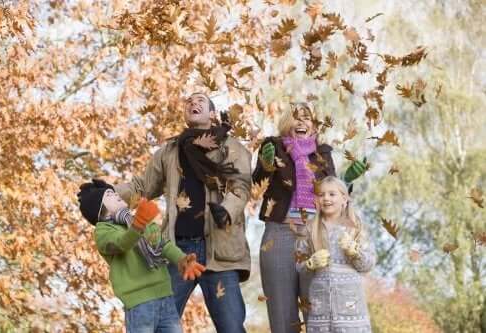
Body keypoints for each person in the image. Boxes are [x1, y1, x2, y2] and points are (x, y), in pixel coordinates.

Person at [114, 92, 252, 333]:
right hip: (178, 253)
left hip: (219, 251)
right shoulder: (169, 151)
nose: (193, 103)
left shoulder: (230, 147)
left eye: (200, 100)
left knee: (232, 328)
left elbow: (241, 185)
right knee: (161, 325)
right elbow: (141, 187)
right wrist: (107, 194)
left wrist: (227, 210)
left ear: (212, 114)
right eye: (189, 101)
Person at [77, 179, 205, 333]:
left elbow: (163, 244)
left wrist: (181, 259)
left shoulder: (139, 219)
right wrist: (138, 225)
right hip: (139, 304)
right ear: (100, 210)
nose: (116, 195)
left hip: (166, 297)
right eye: (109, 195)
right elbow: (121, 243)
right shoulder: (103, 232)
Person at [252, 102, 336, 333]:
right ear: (287, 122)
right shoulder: (273, 146)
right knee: (282, 317)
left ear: (314, 124)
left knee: (318, 315)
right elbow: (257, 181)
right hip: (279, 235)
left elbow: (335, 192)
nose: (302, 122)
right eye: (296, 117)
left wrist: (346, 182)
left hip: (315, 236)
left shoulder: (324, 153)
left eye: (307, 118)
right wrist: (267, 166)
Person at [296, 176, 376, 332]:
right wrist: (310, 264)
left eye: (332, 194)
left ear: (344, 199)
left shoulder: (355, 226)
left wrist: (355, 253)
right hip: (320, 315)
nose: (326, 198)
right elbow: (298, 265)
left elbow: (368, 264)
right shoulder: (309, 228)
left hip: (352, 315)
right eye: (321, 194)